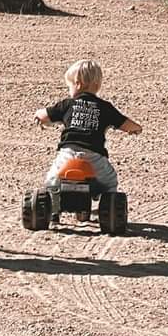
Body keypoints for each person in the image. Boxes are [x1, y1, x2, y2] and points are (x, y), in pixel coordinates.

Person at [35, 60, 142, 228]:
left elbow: (43, 115)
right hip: (95, 160)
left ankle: (53, 211)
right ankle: (109, 210)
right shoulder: (105, 107)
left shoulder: (67, 104)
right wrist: (136, 129)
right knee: (110, 181)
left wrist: (38, 116)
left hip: (67, 156)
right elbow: (125, 123)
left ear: (77, 84)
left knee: (51, 182)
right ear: (97, 85)